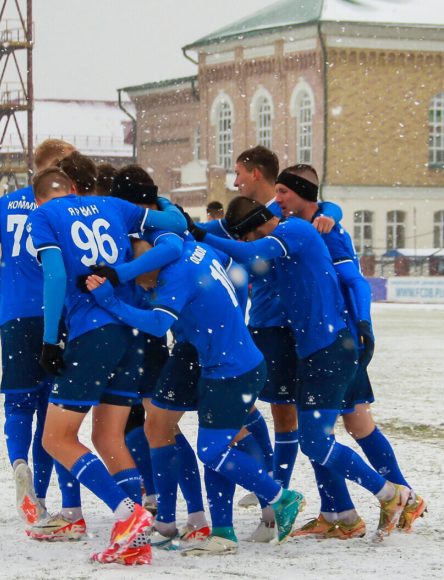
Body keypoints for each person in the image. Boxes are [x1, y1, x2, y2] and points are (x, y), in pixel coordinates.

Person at [201, 195, 414, 542]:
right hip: (314, 352)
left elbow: (252, 253)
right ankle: (359, 507)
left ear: (254, 230)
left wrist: (200, 234)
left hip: (332, 349)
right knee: (316, 441)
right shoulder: (278, 239)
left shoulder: (294, 230)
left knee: (326, 438)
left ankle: (391, 495)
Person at [82, 239, 309, 555]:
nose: (142, 286)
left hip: (232, 371)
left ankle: (280, 497)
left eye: (139, 274)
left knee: (212, 450)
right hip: (220, 364)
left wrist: (112, 301)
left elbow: (159, 323)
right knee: (203, 440)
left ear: (151, 260)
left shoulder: (177, 276)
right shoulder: (191, 249)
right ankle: (222, 532)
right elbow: (222, 264)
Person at [28, 151, 188, 565]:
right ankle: (133, 538)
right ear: (78, 188)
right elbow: (174, 225)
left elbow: (56, 275)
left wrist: (50, 341)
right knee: (108, 437)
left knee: (55, 438)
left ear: (40, 197)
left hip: (93, 332)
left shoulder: (43, 217)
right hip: (131, 334)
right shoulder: (111, 204)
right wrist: (162, 208)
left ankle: (127, 516)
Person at [188, 146, 342, 540]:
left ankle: (277, 500)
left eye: (239, 173)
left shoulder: (284, 209)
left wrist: (332, 216)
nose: (236, 181)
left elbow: (324, 210)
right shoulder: (246, 213)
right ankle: (271, 490)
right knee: (260, 413)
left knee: (290, 418)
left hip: (288, 329)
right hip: (261, 325)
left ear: (258, 175)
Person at [273, 165, 427, 539]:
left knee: (342, 427)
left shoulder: (330, 233)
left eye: (284, 192)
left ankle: (394, 498)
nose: (276, 201)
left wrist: (363, 326)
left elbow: (354, 281)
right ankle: (341, 512)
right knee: (345, 425)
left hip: (338, 340)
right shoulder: (294, 217)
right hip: (322, 338)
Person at [0, 138, 84, 539]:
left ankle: (20, 468)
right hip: (57, 313)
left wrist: (2, 294)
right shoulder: (63, 208)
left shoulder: (6, 203)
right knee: (52, 412)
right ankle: (42, 493)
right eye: (66, 164)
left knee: (18, 403)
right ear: (51, 167)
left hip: (16, 316)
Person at [108, 165, 212, 549]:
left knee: (161, 427)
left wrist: (117, 277)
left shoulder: (159, 227)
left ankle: (184, 514)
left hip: (147, 337)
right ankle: (160, 505)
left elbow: (169, 243)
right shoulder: (156, 216)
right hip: (138, 337)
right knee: (147, 427)